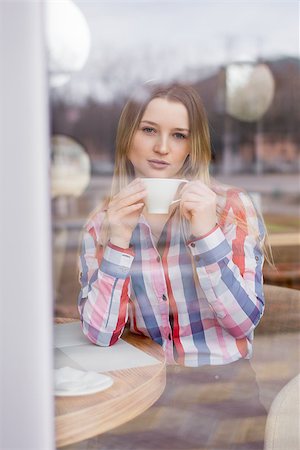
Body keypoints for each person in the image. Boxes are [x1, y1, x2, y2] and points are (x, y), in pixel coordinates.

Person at [77, 83, 267, 449]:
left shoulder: (230, 207)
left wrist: (206, 232)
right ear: (127, 137)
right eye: (149, 130)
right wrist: (118, 241)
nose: (163, 148)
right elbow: (100, 336)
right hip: (143, 395)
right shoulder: (102, 224)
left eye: (178, 135)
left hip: (226, 395)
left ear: (191, 147)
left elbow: (243, 322)